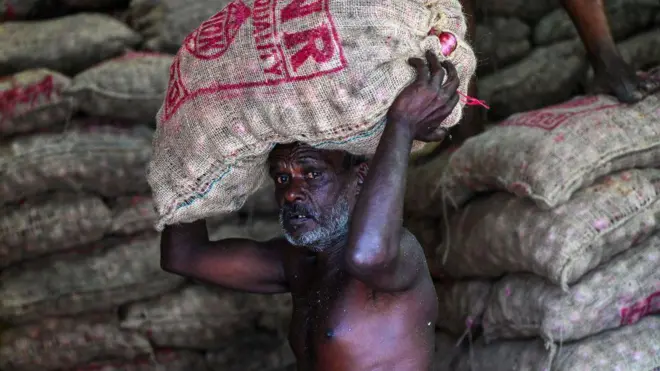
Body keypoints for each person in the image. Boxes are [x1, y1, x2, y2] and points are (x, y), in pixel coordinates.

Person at [160, 51, 457, 371]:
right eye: (282, 178)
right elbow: (184, 255)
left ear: (360, 180)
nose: (290, 193)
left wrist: (401, 125)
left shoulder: (399, 255)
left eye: (313, 175)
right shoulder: (298, 261)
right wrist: (190, 148)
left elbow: (367, 254)